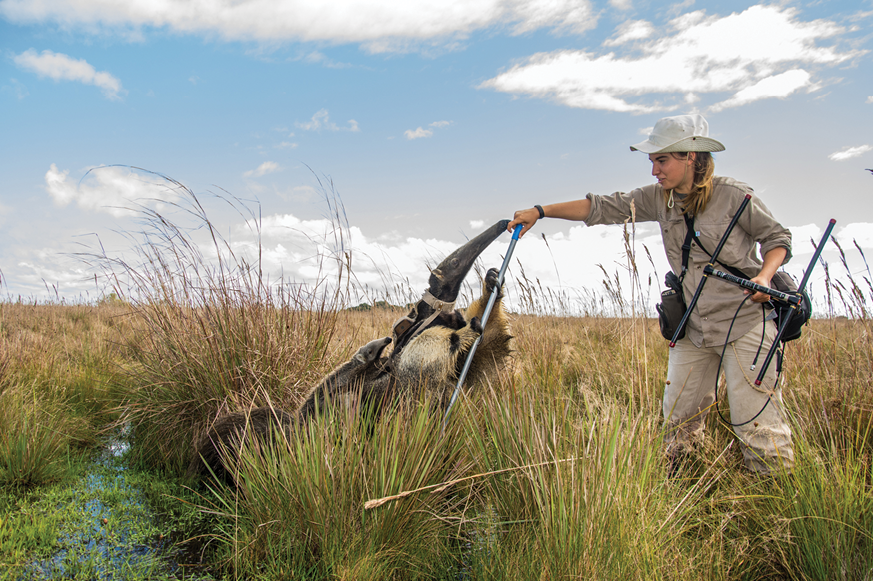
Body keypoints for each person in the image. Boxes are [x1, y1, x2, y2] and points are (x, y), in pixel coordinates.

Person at [508, 114, 794, 474]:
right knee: (678, 422)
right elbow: (601, 207)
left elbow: (778, 239)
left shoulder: (735, 196)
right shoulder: (658, 199)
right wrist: (541, 212)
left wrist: (766, 277)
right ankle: (682, 490)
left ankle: (774, 505)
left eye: (662, 160)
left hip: (746, 323)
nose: (654, 171)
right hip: (693, 329)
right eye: (652, 161)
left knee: (757, 426)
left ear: (690, 156)